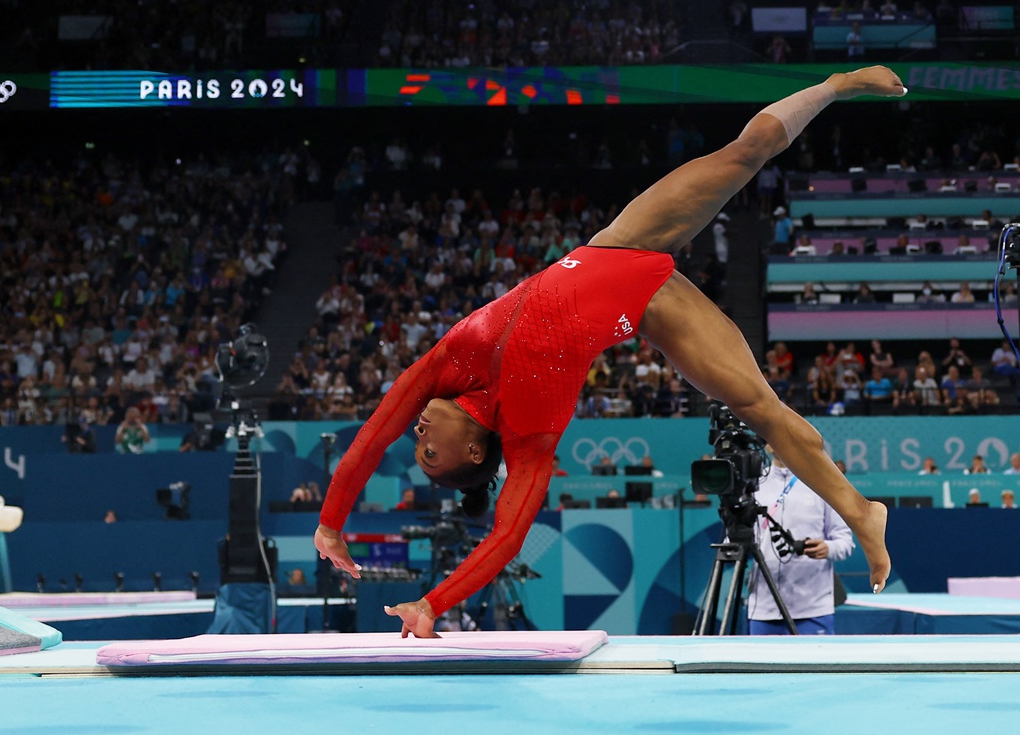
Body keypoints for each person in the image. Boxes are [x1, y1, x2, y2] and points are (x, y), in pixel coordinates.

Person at [315, 66, 904, 638]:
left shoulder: (442, 370)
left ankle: (833, 86)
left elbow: (371, 435)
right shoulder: (529, 439)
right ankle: (860, 510)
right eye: (429, 454)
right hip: (651, 310)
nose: (416, 436)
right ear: (472, 449)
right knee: (763, 411)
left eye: (416, 445)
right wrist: (432, 603)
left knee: (742, 154)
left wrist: (331, 523)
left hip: (618, 245)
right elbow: (506, 537)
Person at [747, 449, 854, 636]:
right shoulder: (754, 484)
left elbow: (845, 541)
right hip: (763, 608)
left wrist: (828, 548)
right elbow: (736, 540)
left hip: (813, 608)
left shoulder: (823, 483)